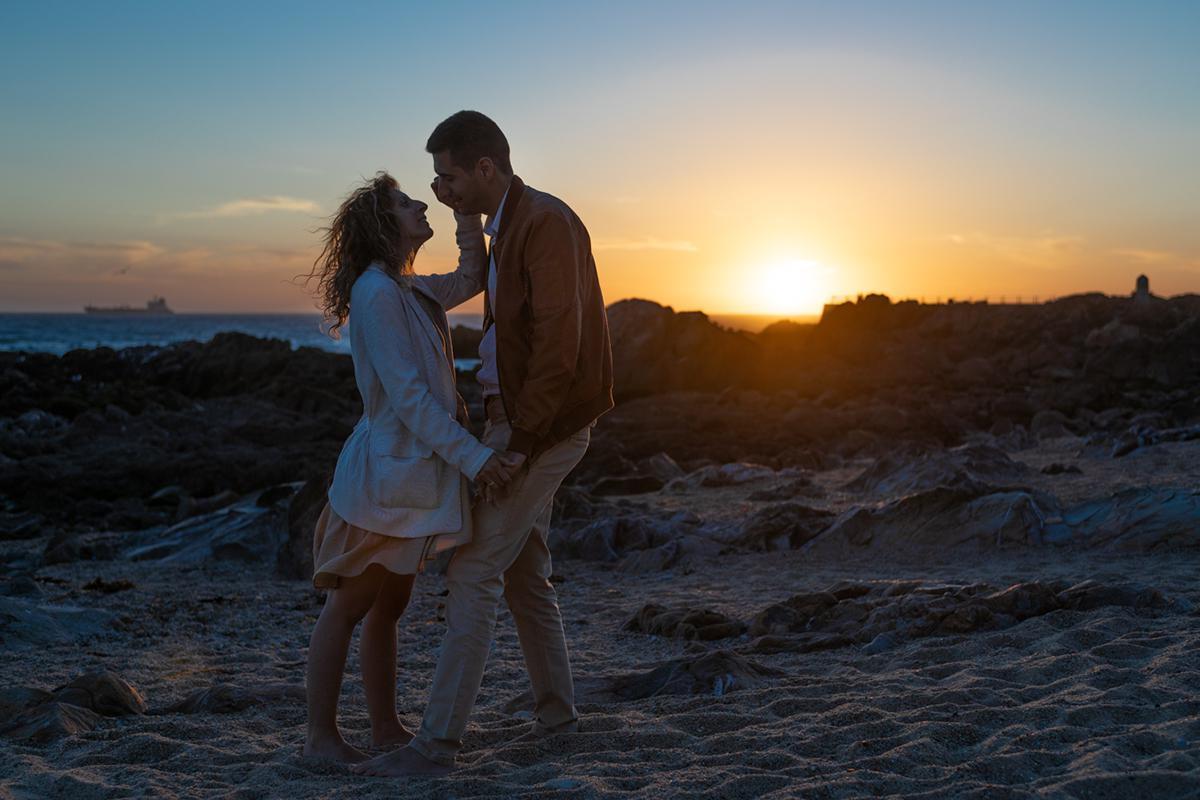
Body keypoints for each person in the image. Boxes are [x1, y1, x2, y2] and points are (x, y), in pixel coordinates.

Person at [355, 111, 614, 777]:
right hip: (515, 423)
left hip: (540, 427)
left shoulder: (545, 224)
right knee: (526, 572)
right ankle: (559, 721)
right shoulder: (508, 227)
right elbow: (474, 279)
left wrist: (520, 444)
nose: (440, 189)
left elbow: (560, 345)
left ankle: (434, 746)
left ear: (485, 169)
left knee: (472, 570)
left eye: (448, 177)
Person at [303, 171, 521, 763]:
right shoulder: (376, 292)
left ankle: (385, 730)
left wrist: (468, 215)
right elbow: (406, 397)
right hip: (383, 480)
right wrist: (476, 459)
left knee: (389, 607)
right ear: (381, 224)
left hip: (411, 481)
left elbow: (473, 277)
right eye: (405, 203)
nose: (420, 203)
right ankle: (319, 739)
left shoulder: (406, 288)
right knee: (349, 604)